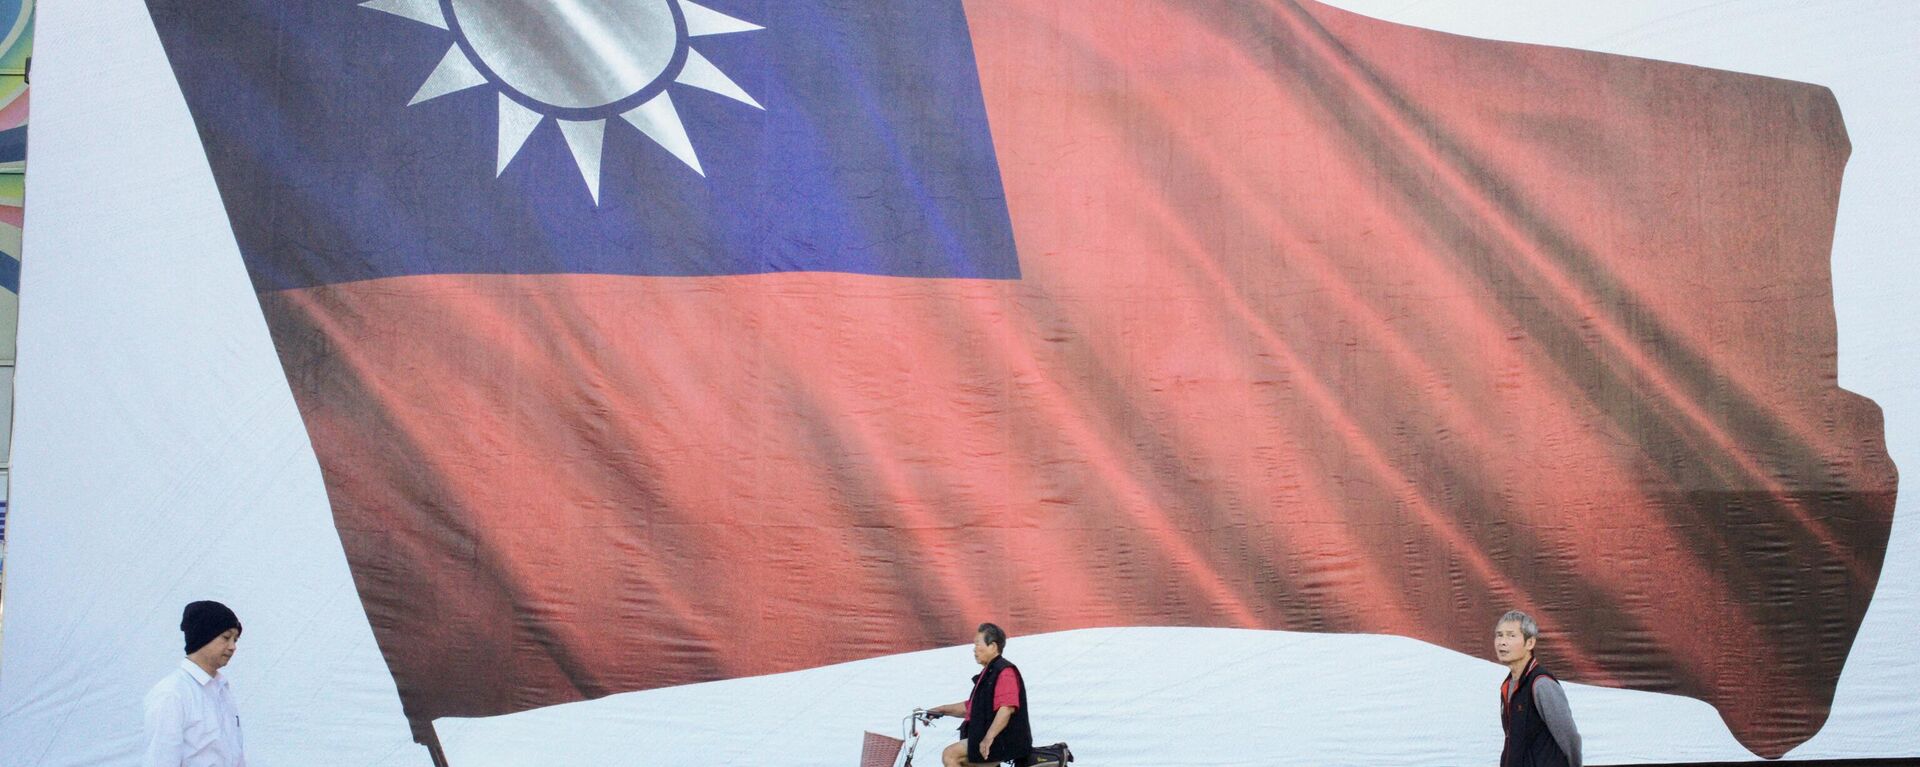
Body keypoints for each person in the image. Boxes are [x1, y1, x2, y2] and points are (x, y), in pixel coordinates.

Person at [144, 600, 246, 767]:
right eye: (226, 637)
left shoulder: (222, 689)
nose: (233, 646)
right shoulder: (172, 693)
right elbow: (161, 760)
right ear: (204, 635)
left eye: (236, 639)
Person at [926, 622, 1031, 766]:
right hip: (992, 741)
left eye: (977, 644)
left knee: (951, 755)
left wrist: (988, 738)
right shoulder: (989, 672)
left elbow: (1006, 709)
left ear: (992, 646)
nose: (974, 650)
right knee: (962, 760)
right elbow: (971, 708)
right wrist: (942, 709)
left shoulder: (1005, 671)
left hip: (1001, 742)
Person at [1495, 610, 1581, 767]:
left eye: (1511, 635)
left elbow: (1570, 738)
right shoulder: (1507, 685)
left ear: (1530, 643)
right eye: (1499, 635)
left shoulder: (1541, 684)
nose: (1502, 642)